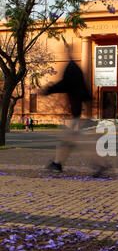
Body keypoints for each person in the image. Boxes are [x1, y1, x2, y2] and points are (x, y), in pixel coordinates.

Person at [40, 45, 107, 176]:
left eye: (64, 50)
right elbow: (83, 89)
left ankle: (101, 164)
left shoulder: (72, 68)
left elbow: (65, 84)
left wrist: (48, 90)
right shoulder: (75, 68)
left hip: (76, 112)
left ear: (68, 51)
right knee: (67, 140)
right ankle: (57, 163)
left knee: (80, 142)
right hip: (75, 111)